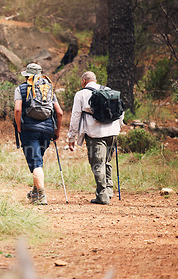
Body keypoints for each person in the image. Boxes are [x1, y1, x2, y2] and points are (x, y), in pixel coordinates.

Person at [67, 71, 123, 205]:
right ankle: (109, 190)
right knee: (107, 161)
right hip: (112, 132)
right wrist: (118, 127)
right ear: (95, 80)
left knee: (97, 163)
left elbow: (75, 116)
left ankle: (102, 195)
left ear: (83, 81)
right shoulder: (108, 91)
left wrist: (71, 137)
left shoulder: (81, 94)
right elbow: (120, 111)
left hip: (94, 134)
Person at [14, 63, 63, 205]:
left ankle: (41, 196)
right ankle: (35, 192)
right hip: (47, 131)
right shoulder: (48, 89)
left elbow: (18, 110)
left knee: (35, 163)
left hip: (29, 131)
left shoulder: (21, 88)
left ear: (27, 76)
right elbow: (59, 112)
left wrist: (19, 126)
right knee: (38, 160)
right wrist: (57, 131)